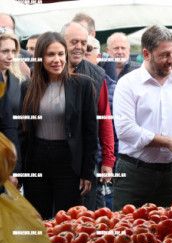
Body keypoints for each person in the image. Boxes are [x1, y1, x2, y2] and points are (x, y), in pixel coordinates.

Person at [113, 25, 172, 211]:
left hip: (171, 175)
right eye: (165, 54)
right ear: (146, 54)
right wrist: (168, 143)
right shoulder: (127, 84)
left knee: (168, 234)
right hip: (134, 174)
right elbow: (125, 130)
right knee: (127, 232)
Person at [20, 32, 98, 219]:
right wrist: (19, 172)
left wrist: (88, 173)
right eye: (50, 54)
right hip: (37, 160)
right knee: (39, 220)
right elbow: (23, 133)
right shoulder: (28, 87)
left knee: (68, 220)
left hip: (68, 162)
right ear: (40, 57)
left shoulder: (83, 85)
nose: (57, 60)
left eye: (61, 54)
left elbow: (90, 132)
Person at [61, 22, 115, 210]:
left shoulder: (96, 75)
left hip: (85, 163)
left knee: (84, 219)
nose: (79, 47)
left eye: (83, 43)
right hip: (50, 161)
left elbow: (104, 120)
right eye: (74, 42)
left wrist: (108, 160)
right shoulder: (44, 72)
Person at [84, 35, 118, 209]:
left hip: (96, 161)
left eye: (88, 49)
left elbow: (106, 124)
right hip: (70, 161)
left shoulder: (105, 83)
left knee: (97, 213)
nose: (83, 52)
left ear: (99, 57)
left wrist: (108, 159)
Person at [0, 28, 24, 187]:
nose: (10, 56)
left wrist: (16, 169)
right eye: (4, 51)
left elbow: (15, 127)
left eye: (13, 51)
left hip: (14, 151)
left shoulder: (18, 80)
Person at [72, 13, 117, 82]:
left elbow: (110, 88)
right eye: (75, 32)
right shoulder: (69, 56)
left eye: (82, 32)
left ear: (92, 34)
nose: (78, 36)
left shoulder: (107, 60)